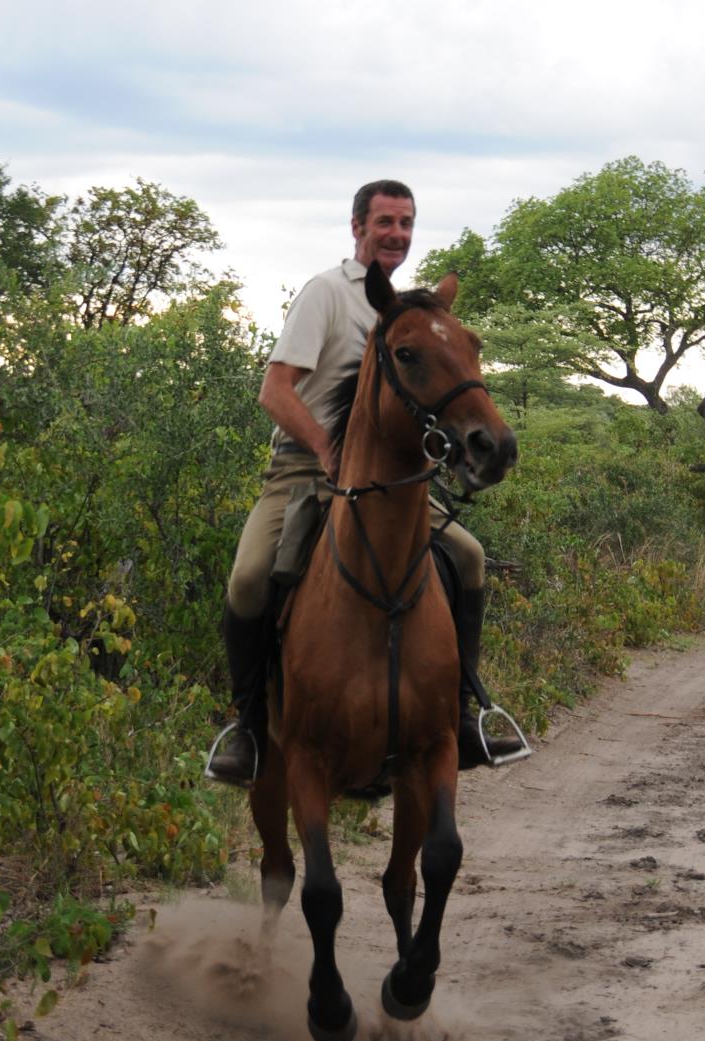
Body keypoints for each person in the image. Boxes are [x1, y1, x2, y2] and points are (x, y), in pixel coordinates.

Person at [206, 178, 517, 785]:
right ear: (358, 227)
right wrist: (324, 447)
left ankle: (461, 716)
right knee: (247, 579)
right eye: (385, 222)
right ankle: (246, 727)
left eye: (406, 223)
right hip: (304, 470)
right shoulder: (327, 293)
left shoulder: (407, 311)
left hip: (387, 484)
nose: (396, 234)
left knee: (471, 559)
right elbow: (276, 391)